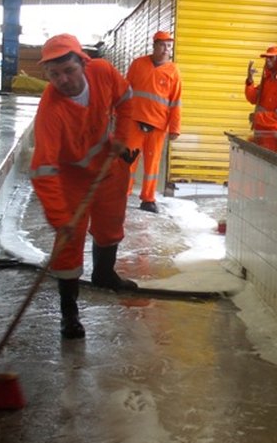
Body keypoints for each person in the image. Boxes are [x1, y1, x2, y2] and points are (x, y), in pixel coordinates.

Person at [30, 33, 139, 339]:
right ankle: (69, 312)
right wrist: (59, 218)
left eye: (69, 70)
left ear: (83, 63)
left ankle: (105, 274)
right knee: (69, 242)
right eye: (54, 75)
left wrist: (122, 136)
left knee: (110, 224)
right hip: (70, 178)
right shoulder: (50, 112)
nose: (63, 80)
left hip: (108, 164)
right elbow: (43, 170)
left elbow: (126, 99)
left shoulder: (103, 72)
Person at [125, 30, 182, 214]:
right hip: (134, 121)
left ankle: (148, 199)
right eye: (163, 45)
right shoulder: (138, 64)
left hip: (158, 126)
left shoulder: (173, 71)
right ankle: (121, 194)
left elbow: (175, 101)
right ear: (155, 45)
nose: (166, 49)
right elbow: (126, 90)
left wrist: (175, 128)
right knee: (127, 161)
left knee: (152, 164)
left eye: (169, 46)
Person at [244, 44, 277, 134]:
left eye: (271, 58)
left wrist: (258, 118)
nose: (267, 61)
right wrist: (250, 80)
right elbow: (253, 98)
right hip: (262, 135)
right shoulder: (268, 81)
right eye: (266, 58)